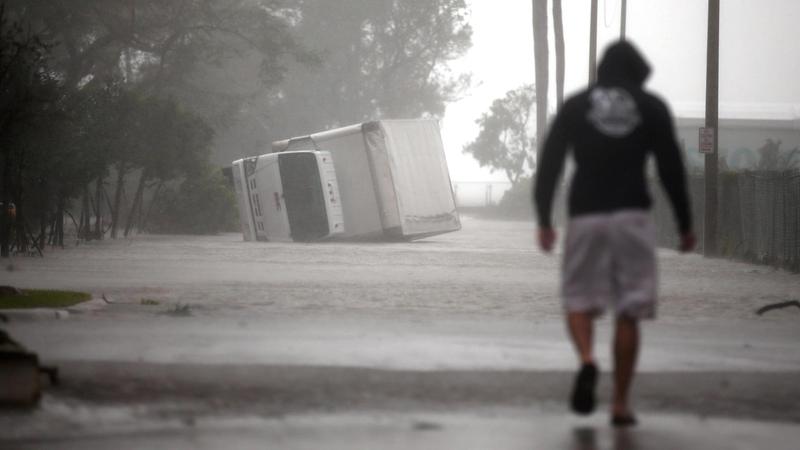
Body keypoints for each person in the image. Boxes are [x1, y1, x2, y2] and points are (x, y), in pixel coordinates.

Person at [533, 40, 696, 426]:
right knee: (629, 310)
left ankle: (588, 361)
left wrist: (543, 219)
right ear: (637, 72)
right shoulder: (651, 107)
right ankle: (621, 404)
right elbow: (671, 167)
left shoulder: (576, 105)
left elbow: (551, 163)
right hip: (632, 216)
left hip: (586, 215)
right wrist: (686, 223)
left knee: (577, 300)